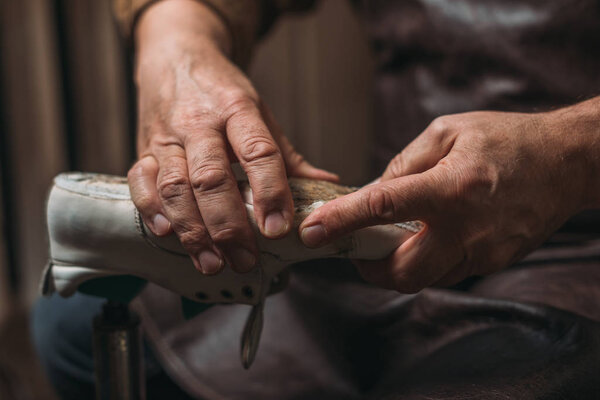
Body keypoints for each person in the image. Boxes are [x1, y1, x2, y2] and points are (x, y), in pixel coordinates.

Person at [34, 0, 600, 398]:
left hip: (579, 249)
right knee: (70, 327)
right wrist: (176, 50)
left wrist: (570, 156)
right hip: (395, 224)